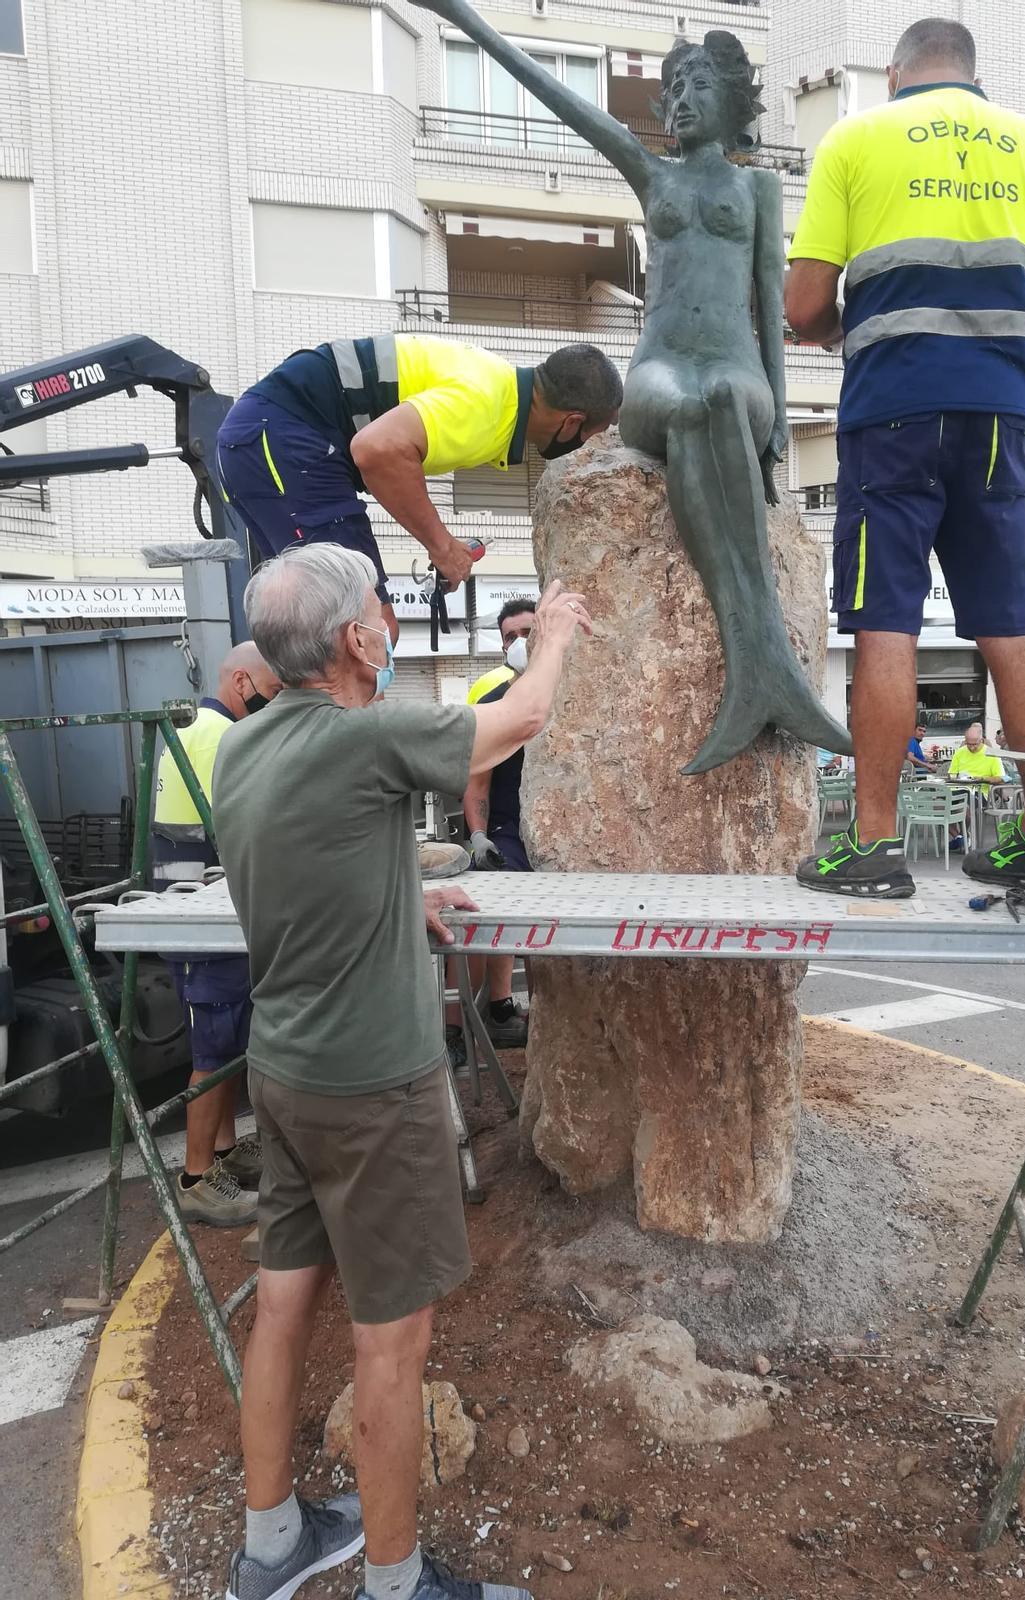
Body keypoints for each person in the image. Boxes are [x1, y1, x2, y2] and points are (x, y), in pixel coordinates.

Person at [212, 543, 591, 1600]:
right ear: (355, 638)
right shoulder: (363, 737)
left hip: (282, 1069)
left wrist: (398, 900)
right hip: (372, 1084)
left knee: (283, 1301)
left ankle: (274, 1540)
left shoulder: (245, 749)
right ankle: (394, 1581)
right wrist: (548, 637)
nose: (391, 615)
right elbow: (516, 723)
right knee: (393, 1338)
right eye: (381, 603)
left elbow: (303, 865)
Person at [409, 0, 850, 772]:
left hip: (734, 366)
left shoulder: (759, 190)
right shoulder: (654, 175)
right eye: (672, 89)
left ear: (736, 104)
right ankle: (762, 660)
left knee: (721, 403)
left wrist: (777, 420)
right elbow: (558, 96)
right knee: (688, 405)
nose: (680, 101)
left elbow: (769, 296)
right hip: (659, 367)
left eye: (698, 86)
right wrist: (464, 20)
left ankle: (760, 670)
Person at [788, 17, 1025, 897]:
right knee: (1013, 627)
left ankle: (874, 847)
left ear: (895, 72)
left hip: (895, 412)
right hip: (1001, 420)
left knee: (887, 623)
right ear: (971, 74)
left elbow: (802, 306)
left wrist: (852, 330)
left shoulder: (856, 137)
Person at [217, 335, 621, 636]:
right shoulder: (487, 404)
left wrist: (441, 542)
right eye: (594, 434)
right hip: (285, 440)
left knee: (304, 629)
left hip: (264, 441)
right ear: (571, 422)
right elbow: (377, 450)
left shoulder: (495, 386)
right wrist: (441, 546)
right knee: (368, 629)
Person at [152, 641, 280, 1227]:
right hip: (203, 918)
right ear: (240, 681)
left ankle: (226, 1152)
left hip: (200, 911)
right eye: (271, 692)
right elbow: (246, 825)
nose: (272, 703)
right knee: (212, 1049)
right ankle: (198, 1176)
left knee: (225, 1044)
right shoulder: (221, 736)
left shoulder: (198, 726)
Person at [459, 599, 537, 1050]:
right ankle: (476, 1019)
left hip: (565, 838)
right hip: (510, 832)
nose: (519, 644)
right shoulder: (493, 705)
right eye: (511, 637)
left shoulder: (580, 698)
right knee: (476, 910)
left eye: (528, 633)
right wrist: (478, 836)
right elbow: (477, 780)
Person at [946, 722, 1005, 851]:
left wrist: (983, 778)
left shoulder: (991, 754)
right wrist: (955, 778)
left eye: (975, 744)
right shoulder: (960, 752)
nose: (971, 748)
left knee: (965, 810)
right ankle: (960, 837)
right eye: (969, 744)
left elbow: (1001, 778)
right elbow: (952, 774)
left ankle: (962, 838)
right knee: (937, 807)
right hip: (957, 788)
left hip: (978, 792)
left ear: (981, 740)